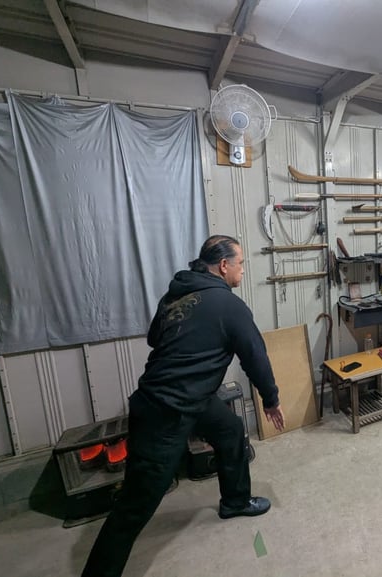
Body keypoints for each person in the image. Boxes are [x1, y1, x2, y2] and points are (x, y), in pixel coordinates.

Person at [82, 235, 285, 577]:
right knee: (136, 503)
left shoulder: (175, 296)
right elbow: (255, 357)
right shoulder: (229, 306)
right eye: (240, 263)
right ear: (224, 266)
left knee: (230, 429)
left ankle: (235, 501)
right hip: (164, 409)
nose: (242, 269)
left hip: (193, 399)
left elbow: (154, 338)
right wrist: (271, 399)